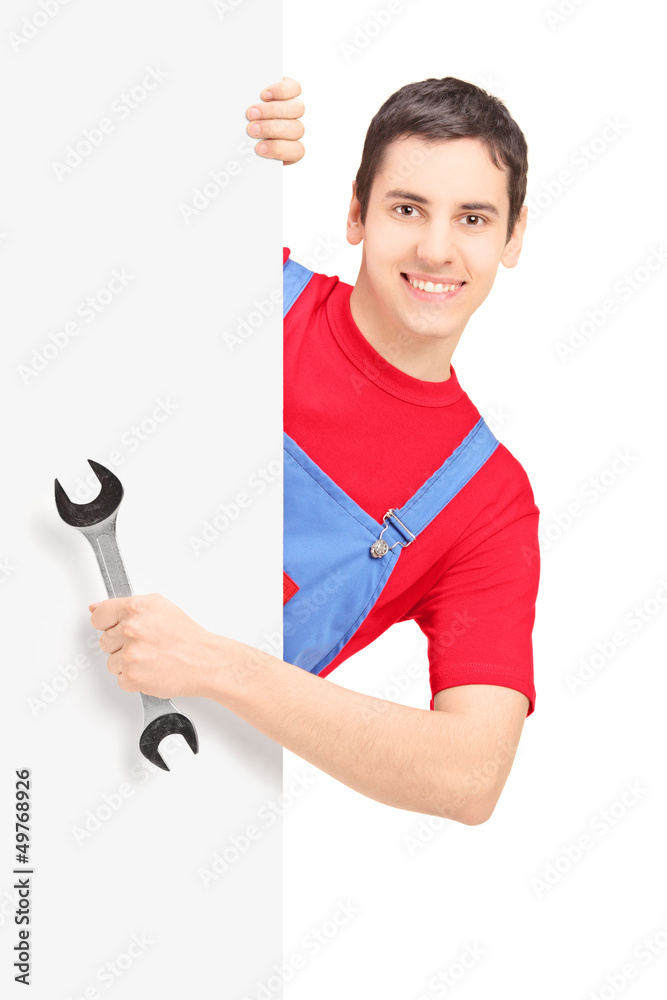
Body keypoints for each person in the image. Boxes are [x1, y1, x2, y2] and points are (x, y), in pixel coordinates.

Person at [90, 76, 540, 825]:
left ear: (512, 237)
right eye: (406, 208)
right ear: (356, 212)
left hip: (156, 805)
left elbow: (469, 775)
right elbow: (81, 209)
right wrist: (212, 134)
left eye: (471, 218)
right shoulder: (247, 290)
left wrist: (219, 665)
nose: (436, 248)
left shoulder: (486, 501)